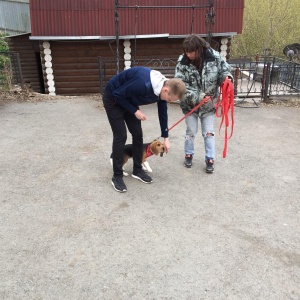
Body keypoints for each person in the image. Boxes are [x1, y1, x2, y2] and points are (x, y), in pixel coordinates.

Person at [102, 66, 186, 193]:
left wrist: (166, 138)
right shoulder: (143, 83)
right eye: (169, 100)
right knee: (121, 136)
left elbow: (163, 113)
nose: (168, 102)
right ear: (165, 90)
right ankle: (117, 176)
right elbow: (117, 94)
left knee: (137, 134)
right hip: (113, 98)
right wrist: (134, 110)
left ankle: (137, 169)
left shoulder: (162, 88)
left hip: (128, 98)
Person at [175, 34, 233, 173]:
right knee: (191, 131)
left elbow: (224, 71)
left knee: (208, 133)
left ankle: (210, 158)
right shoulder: (182, 62)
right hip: (190, 105)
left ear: (199, 49)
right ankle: (188, 154)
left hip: (208, 106)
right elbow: (180, 86)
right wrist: (199, 97)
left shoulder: (215, 57)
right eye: (186, 51)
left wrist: (227, 79)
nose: (188, 54)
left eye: (191, 51)